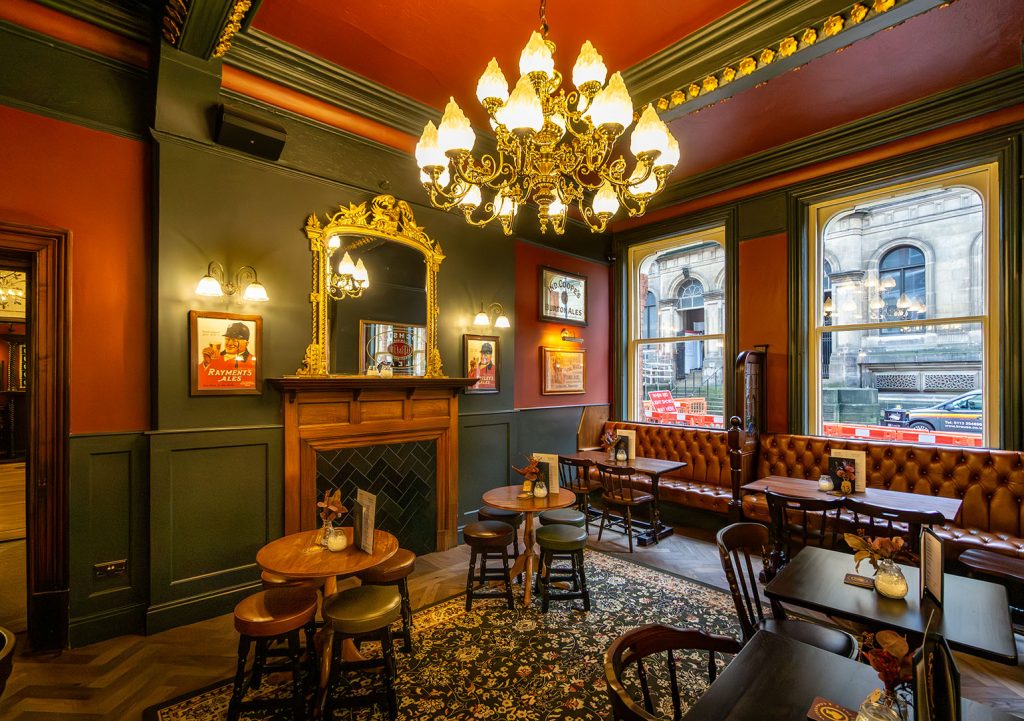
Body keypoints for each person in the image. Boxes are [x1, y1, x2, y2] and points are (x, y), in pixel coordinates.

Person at [198, 321, 256, 389]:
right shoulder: (214, 357)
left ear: (246, 344)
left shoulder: (252, 361)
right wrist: (206, 364)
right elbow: (198, 381)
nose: (229, 343)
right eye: (227, 339)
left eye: (234, 340)